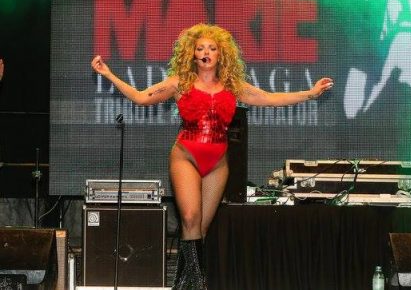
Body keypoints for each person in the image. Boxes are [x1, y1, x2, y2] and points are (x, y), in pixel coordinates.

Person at [91, 23, 333, 290]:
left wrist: (310, 94)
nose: (206, 52)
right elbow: (140, 97)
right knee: (190, 218)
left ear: (221, 54)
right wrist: (108, 74)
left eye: (212, 48)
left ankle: (181, 285)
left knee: (199, 230)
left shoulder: (232, 86)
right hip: (186, 156)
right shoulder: (180, 83)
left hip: (217, 163)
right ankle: (200, 284)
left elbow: (270, 98)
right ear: (192, 55)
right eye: (200, 48)